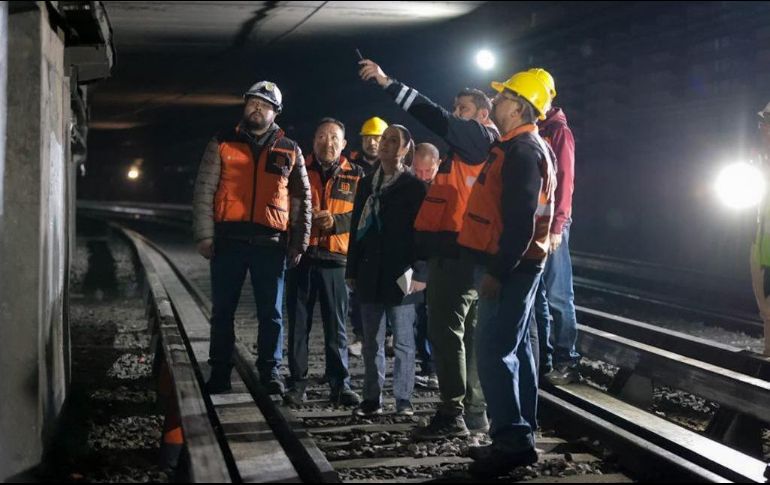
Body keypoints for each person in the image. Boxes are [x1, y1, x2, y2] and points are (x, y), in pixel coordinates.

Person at [359, 59, 497, 438]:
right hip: (470, 251)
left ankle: (453, 411)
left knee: (446, 331)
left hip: (458, 252)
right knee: (469, 333)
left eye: (463, 109)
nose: (455, 115)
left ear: (482, 115)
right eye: (456, 109)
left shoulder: (476, 137)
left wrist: (389, 83)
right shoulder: (485, 147)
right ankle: (476, 412)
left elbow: (430, 114)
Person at [457, 71, 555, 478]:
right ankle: (521, 434)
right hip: (524, 264)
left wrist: (496, 271)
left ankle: (510, 443)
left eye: (502, 99)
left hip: (510, 266)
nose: (494, 105)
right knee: (518, 352)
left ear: (518, 106)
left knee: (494, 352)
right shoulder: (527, 147)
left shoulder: (521, 152)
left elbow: (519, 223)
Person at [192, 81, 312, 395]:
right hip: (228, 241)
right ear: (245, 106)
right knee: (222, 311)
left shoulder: (290, 149)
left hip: (271, 244)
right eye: (253, 102)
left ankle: (270, 372)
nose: (257, 109)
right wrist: (205, 235)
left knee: (271, 313)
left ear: (276, 112)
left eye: (265, 105)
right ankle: (219, 371)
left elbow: (301, 199)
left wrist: (299, 242)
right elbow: (204, 189)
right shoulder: (222, 141)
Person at [347, 125, 428, 417]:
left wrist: (421, 272)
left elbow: (422, 234)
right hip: (370, 271)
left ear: (406, 148)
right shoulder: (367, 184)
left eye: (394, 140)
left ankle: (403, 399)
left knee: (404, 341)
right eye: (384, 139)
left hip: (401, 273)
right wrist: (352, 268)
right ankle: (372, 398)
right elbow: (357, 226)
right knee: (371, 342)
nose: (385, 145)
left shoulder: (415, 187)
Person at [284, 118, 364, 407]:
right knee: (298, 326)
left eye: (334, 138)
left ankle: (340, 384)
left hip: (336, 260)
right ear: (313, 140)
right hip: (302, 257)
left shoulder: (357, 175)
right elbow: (282, 206)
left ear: (343, 144)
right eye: (321, 136)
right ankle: (297, 383)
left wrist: (335, 222)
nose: (327, 142)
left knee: (336, 327)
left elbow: (364, 216)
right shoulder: (297, 170)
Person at [527, 68, 581, 384]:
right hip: (536, 219)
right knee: (541, 295)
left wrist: (558, 225)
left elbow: (566, 182)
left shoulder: (558, 132)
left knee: (558, 292)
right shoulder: (536, 129)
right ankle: (546, 359)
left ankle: (567, 359)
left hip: (552, 223)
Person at [348, 117, 389, 357]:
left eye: (378, 138)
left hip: (386, 238)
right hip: (361, 236)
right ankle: (361, 335)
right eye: (369, 138)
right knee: (357, 291)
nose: (373, 143)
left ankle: (390, 335)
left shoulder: (396, 167)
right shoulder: (351, 167)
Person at [411, 142, 441, 390]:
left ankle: (435, 368)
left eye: (427, 172)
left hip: (439, 263)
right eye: (418, 171)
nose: (422, 177)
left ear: (437, 165)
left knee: (435, 317)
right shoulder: (410, 188)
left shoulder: (445, 187)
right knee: (420, 315)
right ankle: (428, 366)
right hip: (416, 262)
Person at [752, 102, 770, 356]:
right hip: (761, 243)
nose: (765, 128)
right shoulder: (760, 162)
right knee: (765, 307)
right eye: (764, 122)